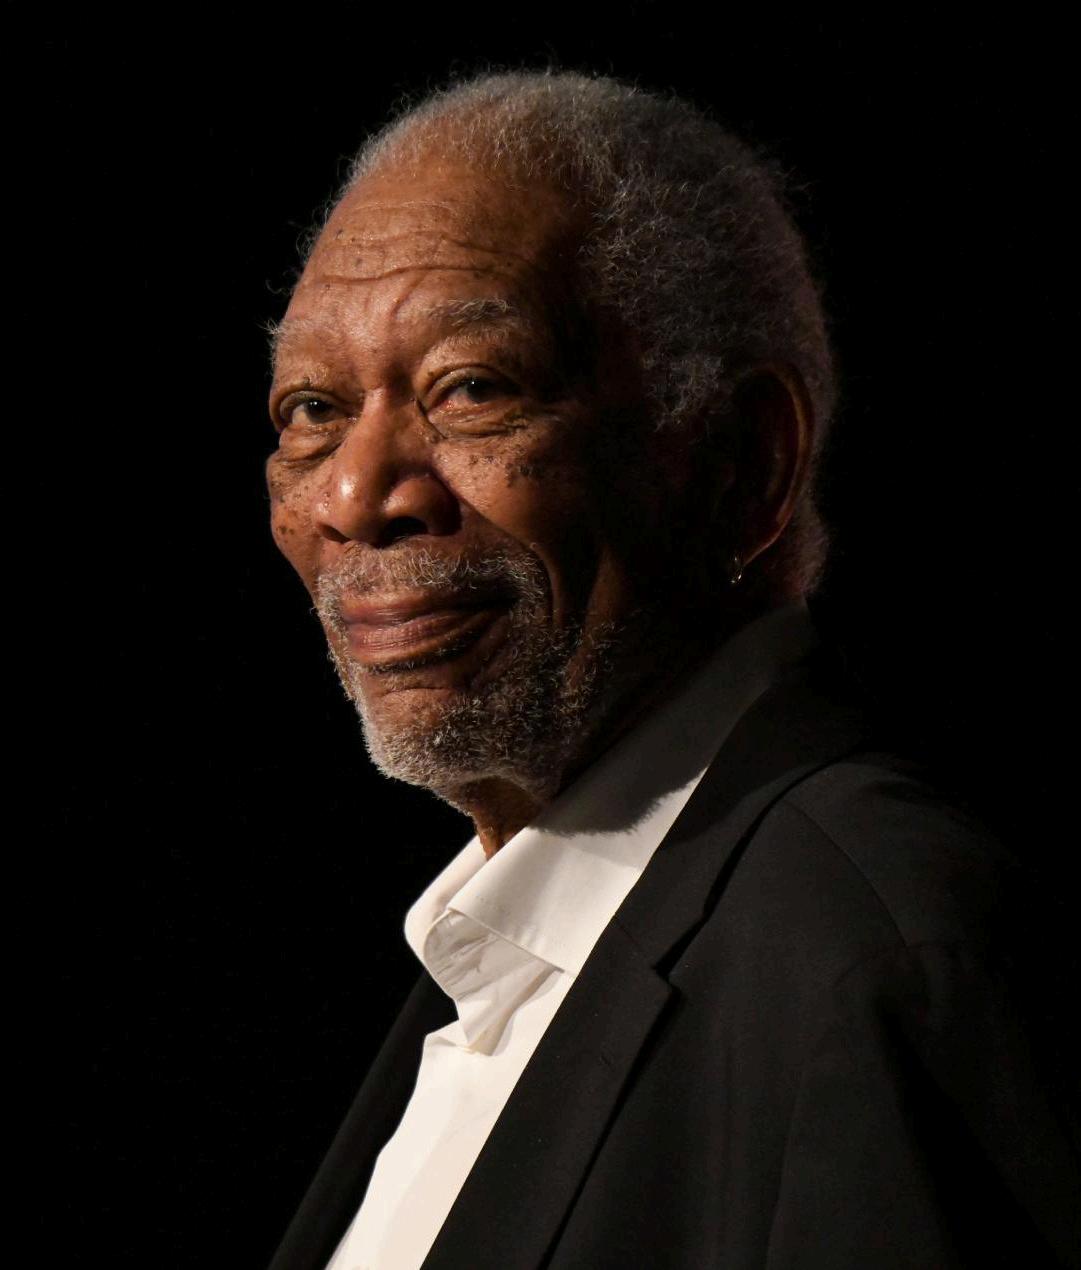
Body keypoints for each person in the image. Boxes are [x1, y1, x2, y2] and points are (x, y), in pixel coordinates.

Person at [264, 71, 1079, 1269]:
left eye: (473, 389)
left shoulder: (880, 964)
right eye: (310, 409)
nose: (352, 494)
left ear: (743, 464)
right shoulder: (495, 963)